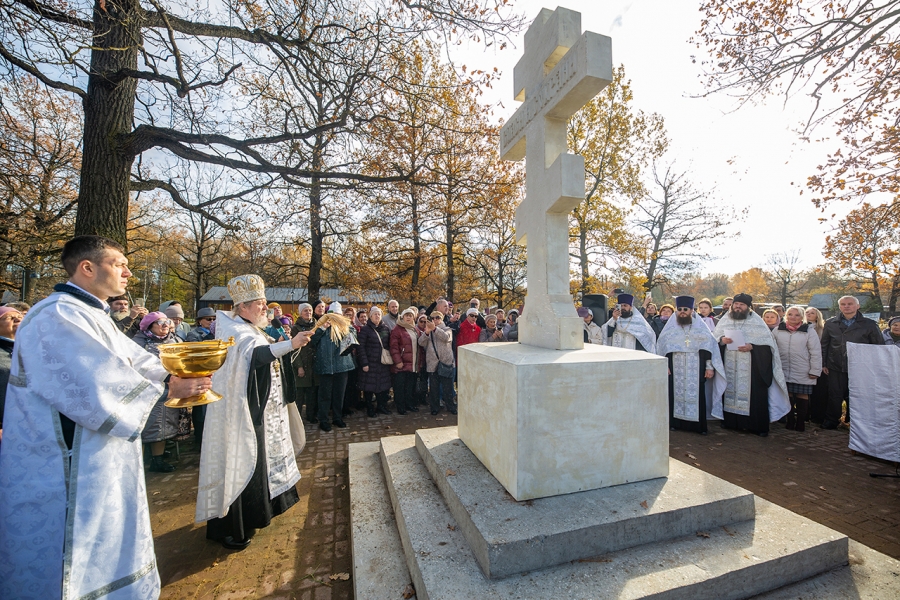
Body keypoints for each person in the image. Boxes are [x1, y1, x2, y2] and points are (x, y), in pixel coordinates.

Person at [0, 235, 211, 599]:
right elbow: (93, 382)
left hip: (99, 454)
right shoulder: (56, 315)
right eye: (119, 264)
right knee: (74, 559)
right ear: (87, 268)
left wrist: (176, 372)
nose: (128, 272)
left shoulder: (87, 312)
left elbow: (132, 358)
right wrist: (168, 390)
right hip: (66, 465)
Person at [196, 274, 312, 551]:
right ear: (243, 306)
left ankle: (264, 511)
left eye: (264, 304)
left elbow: (267, 359)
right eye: (259, 304)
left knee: (261, 461)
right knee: (244, 461)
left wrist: (290, 349)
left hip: (261, 407)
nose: (265, 309)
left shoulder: (252, 328)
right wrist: (290, 344)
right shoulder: (235, 331)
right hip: (242, 413)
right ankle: (232, 526)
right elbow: (257, 357)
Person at [714, 293, 790, 437]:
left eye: (742, 305)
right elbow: (714, 341)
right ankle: (731, 422)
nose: (738, 307)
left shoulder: (757, 322)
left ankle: (756, 426)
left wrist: (752, 346)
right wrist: (722, 340)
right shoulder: (725, 321)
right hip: (729, 366)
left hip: (752, 368)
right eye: (736, 304)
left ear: (748, 307)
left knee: (754, 396)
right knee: (729, 392)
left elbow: (769, 347)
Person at [656, 296, 726, 435]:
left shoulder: (701, 329)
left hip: (696, 366)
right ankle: (675, 423)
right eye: (680, 309)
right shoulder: (670, 329)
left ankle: (698, 427)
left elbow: (709, 349)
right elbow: (662, 349)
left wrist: (709, 367)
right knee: (674, 394)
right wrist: (665, 366)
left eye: (685, 309)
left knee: (697, 394)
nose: (682, 312)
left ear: (692, 311)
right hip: (676, 368)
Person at [820, 295, 884, 429]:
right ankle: (832, 420)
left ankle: (855, 421)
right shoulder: (831, 323)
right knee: (834, 394)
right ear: (839, 307)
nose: (846, 306)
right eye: (843, 304)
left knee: (857, 395)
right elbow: (824, 344)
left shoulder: (869, 324)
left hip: (861, 367)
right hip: (835, 365)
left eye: (850, 304)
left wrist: (874, 366)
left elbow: (878, 346)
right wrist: (824, 364)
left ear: (857, 306)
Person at [134, 311, 184, 472]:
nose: (165, 326)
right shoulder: (139, 342)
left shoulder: (176, 340)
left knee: (162, 425)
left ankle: (158, 459)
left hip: (171, 388)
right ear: (149, 325)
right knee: (143, 426)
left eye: (166, 323)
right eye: (160, 323)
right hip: (145, 390)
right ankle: (138, 464)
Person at [772, 306, 822, 432]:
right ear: (785, 316)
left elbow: (815, 352)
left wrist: (815, 370)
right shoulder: (778, 329)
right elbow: (771, 348)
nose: (793, 317)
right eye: (790, 314)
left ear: (802, 317)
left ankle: (800, 422)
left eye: (797, 315)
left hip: (803, 368)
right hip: (782, 368)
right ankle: (790, 420)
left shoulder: (809, 331)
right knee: (786, 395)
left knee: (802, 395)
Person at [310, 303, 356, 430]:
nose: (335, 317)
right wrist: (323, 328)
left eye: (337, 315)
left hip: (342, 365)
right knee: (324, 395)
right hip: (326, 366)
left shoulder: (346, 326)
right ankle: (323, 420)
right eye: (332, 314)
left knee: (339, 394)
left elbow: (353, 335)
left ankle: (337, 418)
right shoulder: (321, 325)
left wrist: (346, 328)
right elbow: (312, 341)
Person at [357, 306, 394, 416]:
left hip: (382, 363)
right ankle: (370, 408)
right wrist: (364, 363)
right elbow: (360, 347)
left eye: (379, 314)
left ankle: (381, 406)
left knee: (382, 387)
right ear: (371, 316)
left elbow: (388, 345)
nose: (377, 316)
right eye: (375, 314)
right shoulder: (365, 330)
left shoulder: (385, 328)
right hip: (370, 363)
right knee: (369, 387)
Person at [419, 312, 457, 415]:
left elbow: (446, 338)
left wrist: (435, 329)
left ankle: (451, 406)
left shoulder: (447, 329)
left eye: (437, 318)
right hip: (433, 364)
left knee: (448, 388)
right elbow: (421, 343)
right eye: (433, 318)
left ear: (442, 319)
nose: (435, 320)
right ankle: (434, 408)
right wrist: (426, 333)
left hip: (445, 363)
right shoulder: (429, 331)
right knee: (434, 389)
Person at [390, 307, 421, 414]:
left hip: (413, 364)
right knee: (400, 387)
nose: (408, 317)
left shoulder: (415, 329)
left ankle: (409, 405)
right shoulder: (397, 329)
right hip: (401, 364)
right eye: (406, 315)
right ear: (402, 317)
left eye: (410, 315)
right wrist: (398, 361)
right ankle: (401, 407)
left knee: (410, 386)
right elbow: (393, 347)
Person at [0, 306, 23, 443]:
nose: (17, 319)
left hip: (30, 427)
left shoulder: (34, 348)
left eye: (20, 317)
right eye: (8, 317)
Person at [804, 306, 828, 423]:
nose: (808, 314)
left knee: (817, 391)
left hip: (817, 361)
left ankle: (816, 414)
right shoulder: (801, 327)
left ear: (817, 316)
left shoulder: (821, 329)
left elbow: (823, 348)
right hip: (803, 362)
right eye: (806, 312)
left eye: (812, 313)